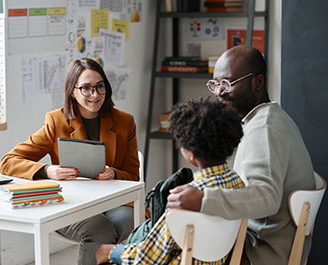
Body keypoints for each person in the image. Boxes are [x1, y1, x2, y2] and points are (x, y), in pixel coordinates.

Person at [167, 45, 315, 265]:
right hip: (269, 239)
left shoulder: (263, 129)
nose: (218, 92)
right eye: (215, 84)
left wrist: (204, 199)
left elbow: (266, 198)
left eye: (227, 84)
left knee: (178, 239)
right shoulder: (271, 117)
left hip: (262, 251)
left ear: (257, 82)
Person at [0, 58, 139, 265]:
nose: (95, 94)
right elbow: (8, 161)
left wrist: (115, 174)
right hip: (71, 202)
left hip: (112, 201)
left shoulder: (124, 121)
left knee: (127, 220)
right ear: (72, 91)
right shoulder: (56, 121)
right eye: (86, 88)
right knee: (100, 229)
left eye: (100, 86)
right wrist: (47, 171)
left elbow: (133, 175)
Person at [95, 98, 245, 264]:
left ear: (191, 153)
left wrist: (110, 251)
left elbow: (148, 258)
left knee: (109, 253)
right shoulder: (238, 184)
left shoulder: (185, 199)